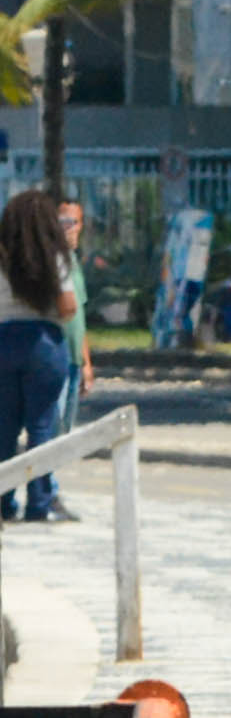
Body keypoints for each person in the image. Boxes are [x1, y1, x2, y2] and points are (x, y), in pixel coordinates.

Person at [0, 189, 81, 524]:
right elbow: (68, 307)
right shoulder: (55, 257)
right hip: (44, 343)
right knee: (42, 425)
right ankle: (40, 502)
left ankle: (3, 501)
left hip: (3, 341)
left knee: (3, 427)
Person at [56, 201, 94, 436]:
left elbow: (79, 316)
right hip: (55, 354)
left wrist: (86, 362)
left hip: (74, 359)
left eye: (73, 222)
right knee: (53, 428)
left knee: (65, 430)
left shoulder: (73, 262)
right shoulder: (50, 261)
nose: (68, 228)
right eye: (62, 223)